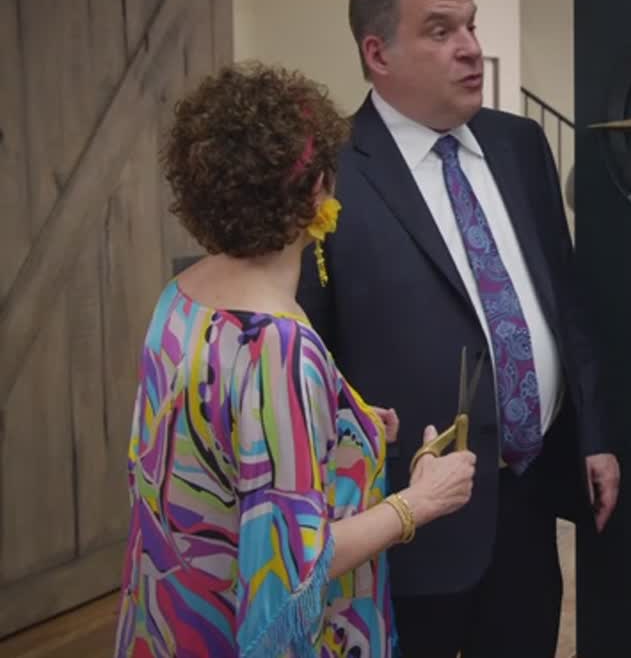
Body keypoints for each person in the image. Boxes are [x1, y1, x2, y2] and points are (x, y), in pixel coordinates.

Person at [296, 0, 620, 657]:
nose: (471, 48)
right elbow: (311, 357)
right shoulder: (328, 176)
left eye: (470, 26)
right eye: (441, 31)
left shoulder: (519, 145)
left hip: (528, 499)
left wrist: (592, 433)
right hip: (406, 523)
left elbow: (565, 302)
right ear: (378, 53)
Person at [113, 63, 477, 658]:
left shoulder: (179, 298)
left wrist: (347, 427)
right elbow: (292, 574)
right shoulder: (278, 346)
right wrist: (419, 502)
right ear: (316, 191)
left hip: (176, 621)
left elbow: (218, 446)